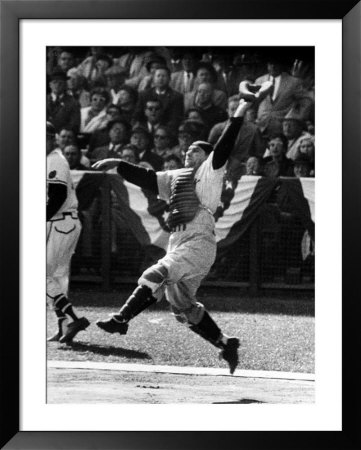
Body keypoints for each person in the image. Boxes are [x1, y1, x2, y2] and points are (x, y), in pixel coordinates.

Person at [92, 97, 256, 374]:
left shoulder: (211, 170)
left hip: (198, 240)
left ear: (207, 156)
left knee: (156, 273)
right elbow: (146, 177)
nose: (188, 152)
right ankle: (225, 343)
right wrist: (119, 163)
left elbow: (227, 140)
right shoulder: (176, 177)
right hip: (180, 242)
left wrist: (241, 107)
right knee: (182, 308)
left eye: (194, 150)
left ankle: (122, 319)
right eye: (188, 150)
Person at [46, 122, 90, 343]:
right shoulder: (48, 159)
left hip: (60, 223)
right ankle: (65, 326)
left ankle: (73, 318)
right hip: (60, 223)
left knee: (41, 276)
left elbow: (57, 196)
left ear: (51, 138)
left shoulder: (55, 160)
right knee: (56, 278)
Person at [46, 69, 81, 134]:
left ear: (65, 85)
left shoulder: (73, 102)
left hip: (64, 138)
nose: (57, 85)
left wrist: (59, 133)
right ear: (50, 85)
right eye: (55, 82)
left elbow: (74, 125)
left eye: (60, 83)